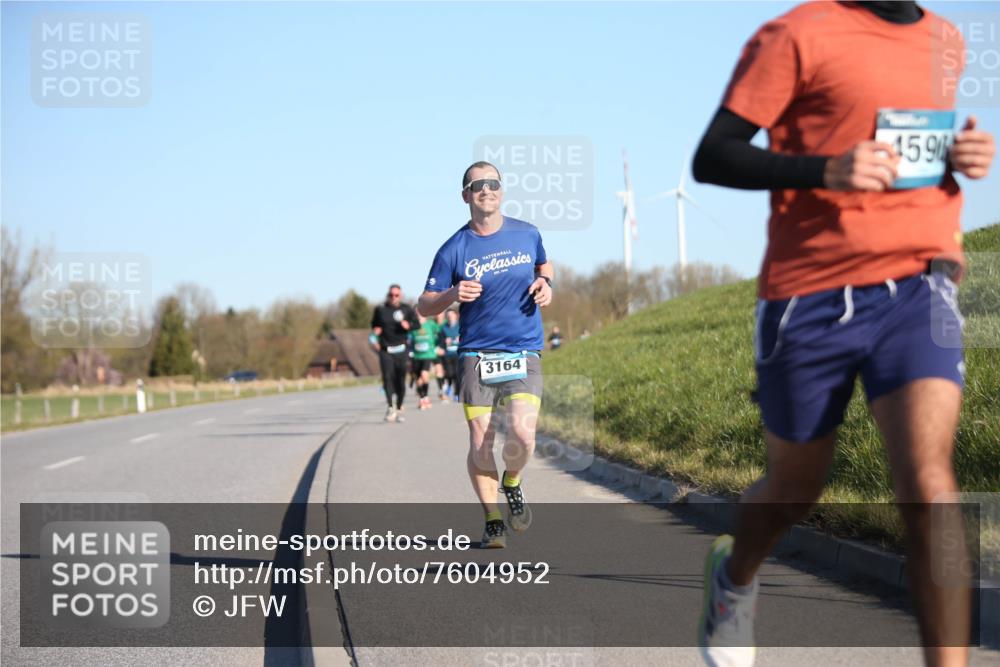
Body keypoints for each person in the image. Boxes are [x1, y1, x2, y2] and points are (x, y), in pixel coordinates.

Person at [691, 2, 995, 666]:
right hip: (810, 294)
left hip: (920, 281)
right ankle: (735, 576)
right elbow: (713, 155)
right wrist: (823, 169)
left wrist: (962, 154)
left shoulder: (945, 38)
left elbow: (913, 147)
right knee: (794, 490)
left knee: (930, 486)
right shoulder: (797, 33)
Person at [418, 161, 553, 548]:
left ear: (502, 191)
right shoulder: (453, 248)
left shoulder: (527, 234)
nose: (486, 190)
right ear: (466, 196)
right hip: (476, 355)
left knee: (523, 435)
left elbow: (544, 264)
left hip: (523, 349)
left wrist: (546, 284)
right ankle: (493, 518)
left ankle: (512, 482)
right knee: (481, 440)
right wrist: (451, 295)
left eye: (493, 183)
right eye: (477, 185)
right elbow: (424, 306)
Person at [371, 284, 419, 423]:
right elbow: (374, 324)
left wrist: (408, 326)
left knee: (400, 380)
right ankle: (390, 406)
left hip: (402, 349)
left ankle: (398, 406)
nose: (393, 297)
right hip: (386, 350)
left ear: (400, 296)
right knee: (387, 378)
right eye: (391, 295)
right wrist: (376, 330)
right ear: (388, 295)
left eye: (396, 295)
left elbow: (417, 325)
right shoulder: (380, 309)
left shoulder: (406, 309)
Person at [410, 313, 441, 410]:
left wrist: (438, 346)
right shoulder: (413, 325)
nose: (418, 315)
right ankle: (422, 399)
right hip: (416, 356)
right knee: (418, 380)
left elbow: (440, 333)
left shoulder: (430, 324)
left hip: (428, 354)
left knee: (424, 375)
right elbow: (409, 339)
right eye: (417, 313)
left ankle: (426, 397)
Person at [440, 308, 462, 400]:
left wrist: (460, 338)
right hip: (447, 354)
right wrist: (444, 341)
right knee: (449, 373)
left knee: (457, 374)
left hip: (458, 354)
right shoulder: (443, 327)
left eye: (452, 315)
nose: (450, 317)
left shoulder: (460, 325)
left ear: (455, 316)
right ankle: (449, 385)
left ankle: (457, 393)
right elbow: (439, 341)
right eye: (448, 316)